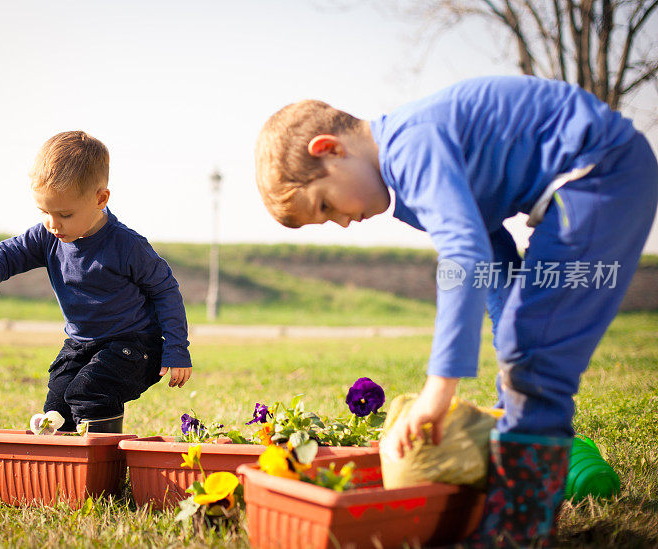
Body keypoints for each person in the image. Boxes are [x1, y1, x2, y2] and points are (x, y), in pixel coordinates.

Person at [254, 75, 657, 545]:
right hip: (592, 179)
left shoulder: (410, 149)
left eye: (325, 205)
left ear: (331, 149)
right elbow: (490, 251)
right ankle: (515, 474)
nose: (342, 223)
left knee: (534, 350)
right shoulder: (407, 176)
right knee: (523, 342)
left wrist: (438, 390)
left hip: (599, 173)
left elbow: (465, 256)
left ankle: (517, 530)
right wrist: (511, 357)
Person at [0, 131, 192, 433]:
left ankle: (101, 468)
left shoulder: (126, 246)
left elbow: (165, 290)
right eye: (44, 212)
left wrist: (177, 348)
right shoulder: (47, 236)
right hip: (81, 345)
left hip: (134, 346)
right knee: (58, 405)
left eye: (64, 214)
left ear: (100, 199)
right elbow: (6, 254)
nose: (53, 224)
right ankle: (64, 471)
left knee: (89, 392)